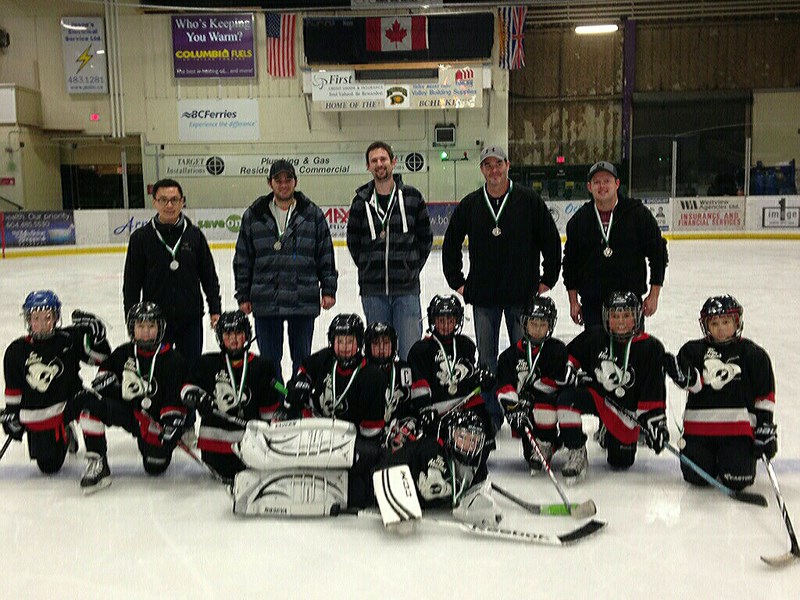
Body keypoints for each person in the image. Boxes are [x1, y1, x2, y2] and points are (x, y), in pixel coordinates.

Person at [237, 314, 385, 510]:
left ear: (359, 343)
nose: (345, 347)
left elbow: (371, 434)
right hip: (314, 432)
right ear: (332, 342)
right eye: (340, 341)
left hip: (348, 442)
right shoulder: (324, 359)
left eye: (350, 341)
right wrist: (300, 384)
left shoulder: (373, 376)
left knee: (365, 468)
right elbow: (303, 372)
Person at [442, 145, 561, 375]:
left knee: (523, 357)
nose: (494, 170)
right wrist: (457, 281)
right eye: (488, 165)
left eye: (498, 164)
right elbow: (451, 243)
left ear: (508, 165)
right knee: (486, 361)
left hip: (521, 295)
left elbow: (551, 240)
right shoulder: (471, 204)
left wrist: (548, 278)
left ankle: (521, 406)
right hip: (484, 298)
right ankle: (490, 410)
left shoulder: (528, 200)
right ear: (482, 170)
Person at [234, 159, 338, 382]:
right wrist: (243, 295)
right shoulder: (254, 214)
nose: (283, 185)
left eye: (287, 179)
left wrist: (329, 289)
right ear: (269, 183)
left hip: (302, 299)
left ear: (295, 182)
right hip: (265, 300)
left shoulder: (312, 214)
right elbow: (243, 258)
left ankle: (299, 402)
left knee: (302, 359)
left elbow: (325, 254)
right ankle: (276, 402)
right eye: (278, 180)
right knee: (270, 361)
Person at [663, 295, 776, 490]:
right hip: (699, 432)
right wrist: (683, 377)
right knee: (695, 477)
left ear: (737, 322)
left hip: (737, 433)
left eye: (726, 322)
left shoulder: (753, 354)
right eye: (714, 323)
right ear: (705, 325)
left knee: (738, 479)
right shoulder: (693, 350)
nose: (721, 328)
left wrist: (765, 426)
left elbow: (764, 396)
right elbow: (696, 384)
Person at [557, 291, 668, 484]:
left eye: (626, 315)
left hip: (624, 410)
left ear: (636, 316)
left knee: (621, 462)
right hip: (597, 395)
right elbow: (571, 355)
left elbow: (653, 391)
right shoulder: (595, 336)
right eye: (615, 316)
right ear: (607, 317)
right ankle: (576, 451)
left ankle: (608, 431)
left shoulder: (651, 347)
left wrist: (655, 423)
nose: (621, 321)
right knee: (567, 399)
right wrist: (569, 369)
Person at [77, 302, 188, 493]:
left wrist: (171, 424)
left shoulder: (173, 359)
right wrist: (109, 385)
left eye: (151, 326)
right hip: (129, 413)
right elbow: (102, 377)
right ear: (131, 328)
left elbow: (174, 400)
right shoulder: (123, 353)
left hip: (154, 420)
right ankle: (97, 462)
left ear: (160, 327)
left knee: (155, 466)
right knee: (89, 406)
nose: (145, 332)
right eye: (140, 326)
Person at [2, 290, 110, 474]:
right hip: (41, 412)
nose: (42, 324)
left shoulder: (69, 338)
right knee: (48, 466)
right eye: (36, 319)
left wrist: (98, 339)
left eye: (47, 317)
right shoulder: (16, 351)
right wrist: (12, 415)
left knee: (90, 404)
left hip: (69, 403)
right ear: (28, 320)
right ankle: (65, 432)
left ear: (56, 317)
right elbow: (14, 391)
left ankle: (98, 459)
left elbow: (102, 359)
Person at [347, 141, 433, 361]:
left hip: (406, 291)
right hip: (373, 292)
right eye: (374, 161)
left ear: (393, 162)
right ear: (368, 166)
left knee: (410, 353)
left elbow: (425, 239)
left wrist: (410, 267)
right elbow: (353, 242)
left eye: (383, 159)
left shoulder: (413, 197)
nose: (379, 164)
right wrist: (369, 266)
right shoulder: (360, 202)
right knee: (379, 355)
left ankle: (411, 395)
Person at [123, 178, 222, 365]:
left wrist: (215, 309)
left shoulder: (194, 235)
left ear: (182, 201)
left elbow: (208, 276)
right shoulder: (141, 238)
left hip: (190, 319)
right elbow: (131, 283)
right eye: (163, 200)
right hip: (154, 321)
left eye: (174, 200)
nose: (169, 205)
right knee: (159, 370)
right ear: (154, 202)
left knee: (191, 369)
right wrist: (132, 318)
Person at [180, 310, 284, 482]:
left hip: (249, 448)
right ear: (220, 338)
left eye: (238, 333)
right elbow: (187, 388)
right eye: (228, 334)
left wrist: (286, 393)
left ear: (247, 335)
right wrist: (196, 397)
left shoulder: (262, 367)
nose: (234, 339)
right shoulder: (207, 363)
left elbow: (277, 397)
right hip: (214, 447)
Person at [563, 161, 668, 329]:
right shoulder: (579, 221)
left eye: (607, 181)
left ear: (617, 184)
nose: (602, 186)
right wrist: (573, 301)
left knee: (631, 354)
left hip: (629, 304)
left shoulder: (637, 213)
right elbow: (570, 264)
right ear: (589, 186)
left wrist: (654, 294)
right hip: (593, 305)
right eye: (597, 182)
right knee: (596, 353)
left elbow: (658, 253)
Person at [495, 296, 573, 474]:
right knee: (529, 455)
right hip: (524, 412)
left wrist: (535, 394)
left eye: (543, 324)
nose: (538, 329)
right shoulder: (509, 356)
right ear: (524, 323)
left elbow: (557, 385)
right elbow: (504, 385)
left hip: (548, 409)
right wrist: (513, 408)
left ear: (550, 325)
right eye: (533, 323)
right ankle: (551, 443)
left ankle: (553, 441)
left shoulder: (557, 350)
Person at [405, 295, 495, 445]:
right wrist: (425, 408)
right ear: (433, 320)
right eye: (441, 320)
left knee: (485, 428)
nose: (446, 325)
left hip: (464, 403)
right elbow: (418, 382)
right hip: (437, 409)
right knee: (434, 441)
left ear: (457, 320)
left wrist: (482, 377)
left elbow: (470, 376)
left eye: (450, 320)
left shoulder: (466, 344)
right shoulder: (421, 350)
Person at [364, 321, 413, 425]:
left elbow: (409, 402)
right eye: (376, 343)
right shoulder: (363, 371)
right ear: (368, 346)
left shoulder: (403, 368)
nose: (382, 348)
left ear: (393, 344)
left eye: (386, 342)